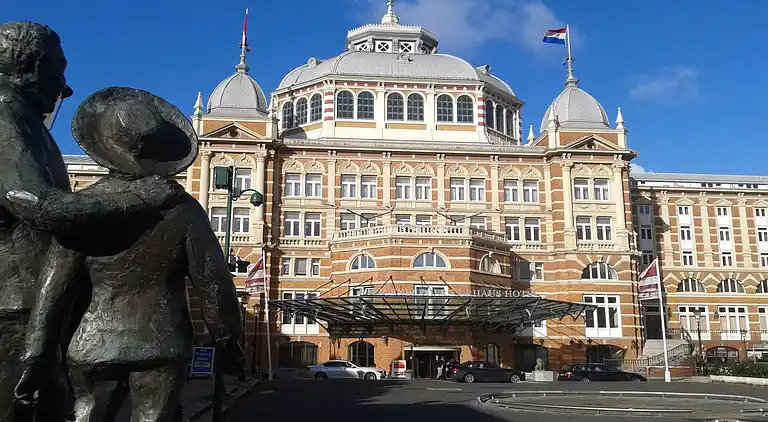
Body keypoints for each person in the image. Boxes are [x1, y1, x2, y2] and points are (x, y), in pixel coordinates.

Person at [12, 87, 244, 422]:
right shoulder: (184, 210)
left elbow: (54, 288)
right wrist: (228, 342)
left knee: (87, 414)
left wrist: (36, 352)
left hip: (93, 342)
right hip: (161, 345)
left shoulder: (83, 209)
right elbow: (214, 286)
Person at [0, 22, 180, 422]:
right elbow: (38, 207)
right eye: (58, 70)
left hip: (33, 311)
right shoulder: (4, 116)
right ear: (29, 66)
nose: (65, 87)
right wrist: (141, 197)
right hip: (14, 311)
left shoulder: (25, 122)